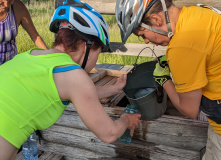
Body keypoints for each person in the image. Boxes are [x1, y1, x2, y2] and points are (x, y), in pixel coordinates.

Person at [0, 1, 141, 160]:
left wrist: (115, 89)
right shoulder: (73, 74)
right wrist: (126, 120)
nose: (96, 60)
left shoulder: (31, 56)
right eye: (99, 53)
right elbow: (109, 133)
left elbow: (81, 94)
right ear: (86, 45)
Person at [115, 0, 221, 159]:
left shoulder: (182, 47)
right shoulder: (198, 13)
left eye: (142, 34)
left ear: (156, 20)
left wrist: (164, 79)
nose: (146, 41)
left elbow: (190, 111)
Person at [0, 0, 48, 65]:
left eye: (10, 1)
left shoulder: (18, 7)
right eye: (2, 1)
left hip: (12, 63)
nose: (6, 5)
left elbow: (35, 36)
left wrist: (49, 56)